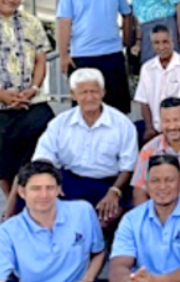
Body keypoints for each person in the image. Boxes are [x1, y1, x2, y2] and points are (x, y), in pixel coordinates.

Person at [25, 68, 137, 228]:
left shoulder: (122, 124)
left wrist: (115, 191)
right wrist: (53, 182)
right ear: (73, 94)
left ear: (103, 92)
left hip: (108, 183)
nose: (90, 97)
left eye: (94, 91)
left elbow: (128, 166)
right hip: (69, 180)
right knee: (38, 202)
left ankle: (99, 250)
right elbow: (43, 156)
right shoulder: (60, 123)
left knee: (105, 219)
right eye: (83, 92)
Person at [56, 0, 133, 114]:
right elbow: (64, 24)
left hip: (112, 54)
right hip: (82, 57)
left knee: (117, 107)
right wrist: (63, 55)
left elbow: (127, 15)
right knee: (84, 107)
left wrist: (127, 41)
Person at [0, 0, 55, 198]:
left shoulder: (32, 22)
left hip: (31, 102)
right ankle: (11, 206)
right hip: (1, 106)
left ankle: (27, 197)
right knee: (3, 161)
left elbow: (41, 59)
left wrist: (32, 89)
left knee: (48, 134)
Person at [135, 24, 180, 142]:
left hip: (175, 127)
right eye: (157, 43)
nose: (161, 46)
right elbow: (144, 102)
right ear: (152, 45)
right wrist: (149, 128)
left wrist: (170, 128)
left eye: (165, 42)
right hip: (154, 126)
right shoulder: (147, 68)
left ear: (172, 42)